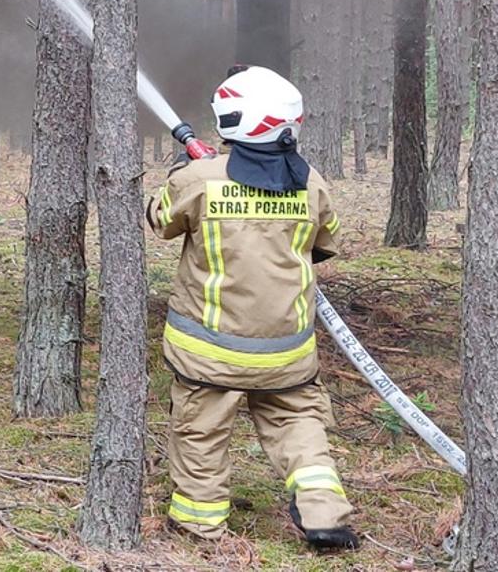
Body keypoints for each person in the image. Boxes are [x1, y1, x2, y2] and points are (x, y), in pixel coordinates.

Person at [145, 66, 358, 551]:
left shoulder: (198, 178)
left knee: (200, 434)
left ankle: (200, 525)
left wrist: (182, 174)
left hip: (209, 354)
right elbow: (324, 243)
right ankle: (325, 515)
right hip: (287, 354)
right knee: (299, 426)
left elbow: (160, 220)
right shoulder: (312, 183)